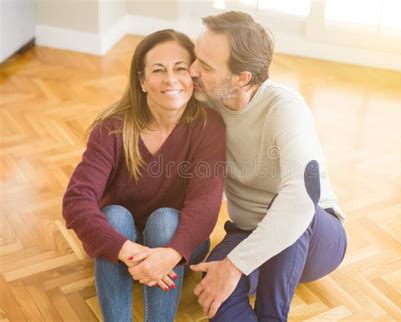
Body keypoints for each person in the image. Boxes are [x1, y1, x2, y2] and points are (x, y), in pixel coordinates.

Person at [188, 11, 347, 321]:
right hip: (248, 233)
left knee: (294, 199)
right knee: (212, 290)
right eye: (196, 58)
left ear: (242, 78)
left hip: (316, 237)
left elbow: (302, 200)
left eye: (205, 66)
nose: (193, 70)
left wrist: (235, 265)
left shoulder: (285, 107)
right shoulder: (208, 99)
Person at [62, 29, 226, 322]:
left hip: (178, 243)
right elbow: (76, 201)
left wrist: (170, 255)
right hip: (120, 242)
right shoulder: (112, 128)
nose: (171, 80)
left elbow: (206, 206)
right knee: (113, 215)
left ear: (193, 76)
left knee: (164, 219)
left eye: (180, 69)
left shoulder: (208, 125)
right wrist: (125, 249)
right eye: (158, 70)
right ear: (142, 80)